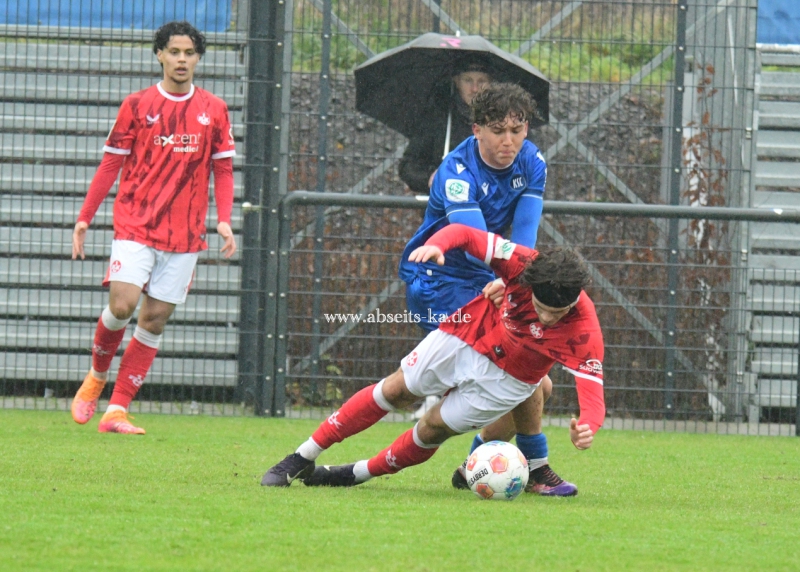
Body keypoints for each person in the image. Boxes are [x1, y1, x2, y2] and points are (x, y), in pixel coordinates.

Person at [261, 224, 605, 489]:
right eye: (541, 309)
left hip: (508, 380)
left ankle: (355, 474)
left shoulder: (585, 330)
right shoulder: (522, 263)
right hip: (470, 330)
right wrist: (438, 245)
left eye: (557, 314)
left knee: (431, 429)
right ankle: (301, 456)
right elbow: (466, 234)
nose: (547, 319)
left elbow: (593, 396)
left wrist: (588, 427)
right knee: (395, 390)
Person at [398, 82, 575, 496]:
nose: (507, 141)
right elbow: (472, 237)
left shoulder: (532, 162)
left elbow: (526, 236)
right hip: (438, 279)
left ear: (527, 129)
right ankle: (533, 465)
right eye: (497, 130)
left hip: (489, 278)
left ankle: (478, 463)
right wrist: (507, 280)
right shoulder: (455, 173)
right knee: (523, 379)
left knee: (538, 383)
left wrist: (518, 282)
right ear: (476, 129)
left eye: (516, 130)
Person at [69, 21, 237, 434]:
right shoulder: (137, 104)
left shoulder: (214, 109)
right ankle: (96, 376)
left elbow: (224, 168)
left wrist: (225, 220)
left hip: (184, 235)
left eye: (189, 53)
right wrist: (85, 217)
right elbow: (111, 163)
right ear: (159, 54)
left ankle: (117, 411)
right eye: (174, 52)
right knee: (123, 305)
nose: (182, 60)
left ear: (198, 58)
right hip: (135, 223)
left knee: (154, 320)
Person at [398, 61, 492, 195]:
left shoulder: (505, 120)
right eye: (468, 80)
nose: (475, 88)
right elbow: (408, 166)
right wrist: (431, 177)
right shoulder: (438, 117)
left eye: (481, 81)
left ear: (490, 84)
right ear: (457, 81)